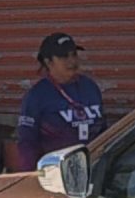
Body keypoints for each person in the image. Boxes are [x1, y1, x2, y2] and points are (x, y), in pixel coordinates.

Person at [15, 32, 104, 167]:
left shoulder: (90, 87)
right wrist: (31, 177)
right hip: (57, 173)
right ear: (48, 61)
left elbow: (104, 130)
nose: (72, 61)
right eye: (64, 56)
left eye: (74, 54)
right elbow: (27, 143)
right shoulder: (37, 96)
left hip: (93, 168)